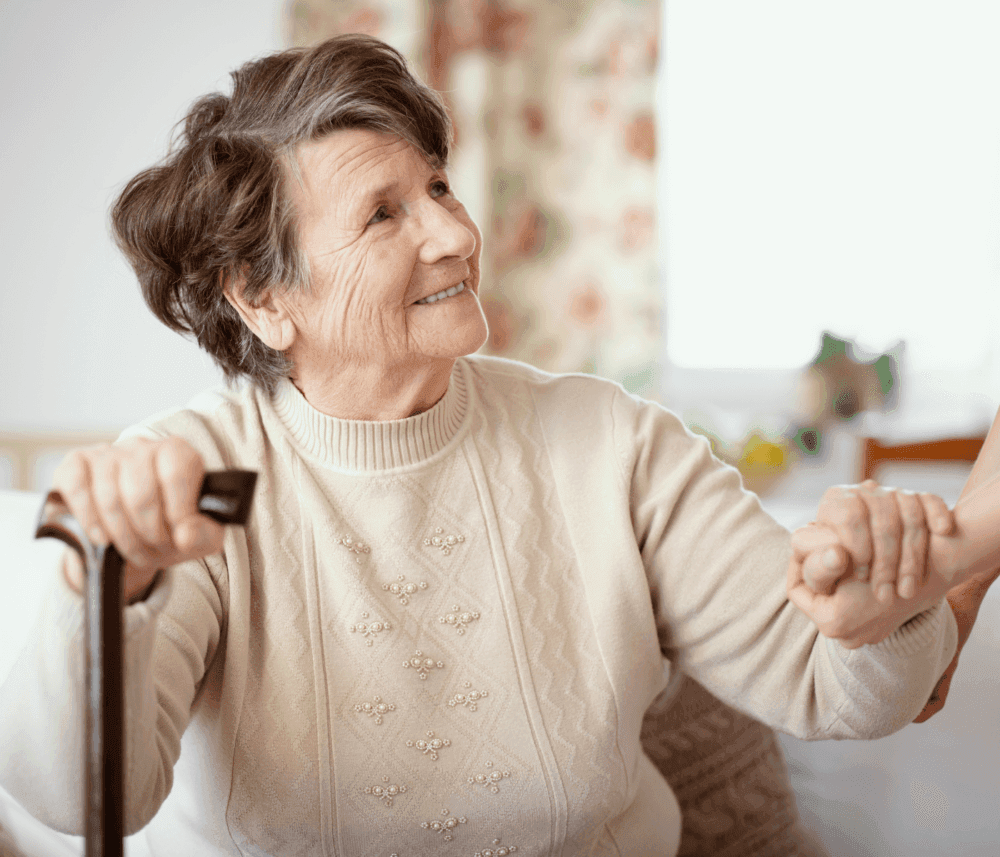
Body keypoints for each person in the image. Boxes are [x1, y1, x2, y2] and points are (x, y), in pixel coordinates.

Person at [0, 34, 994, 857]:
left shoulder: (610, 438)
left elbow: (831, 685)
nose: (451, 233)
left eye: (437, 185)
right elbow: (79, 797)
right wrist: (108, 591)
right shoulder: (185, 482)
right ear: (262, 298)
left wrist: (880, 617)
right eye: (383, 214)